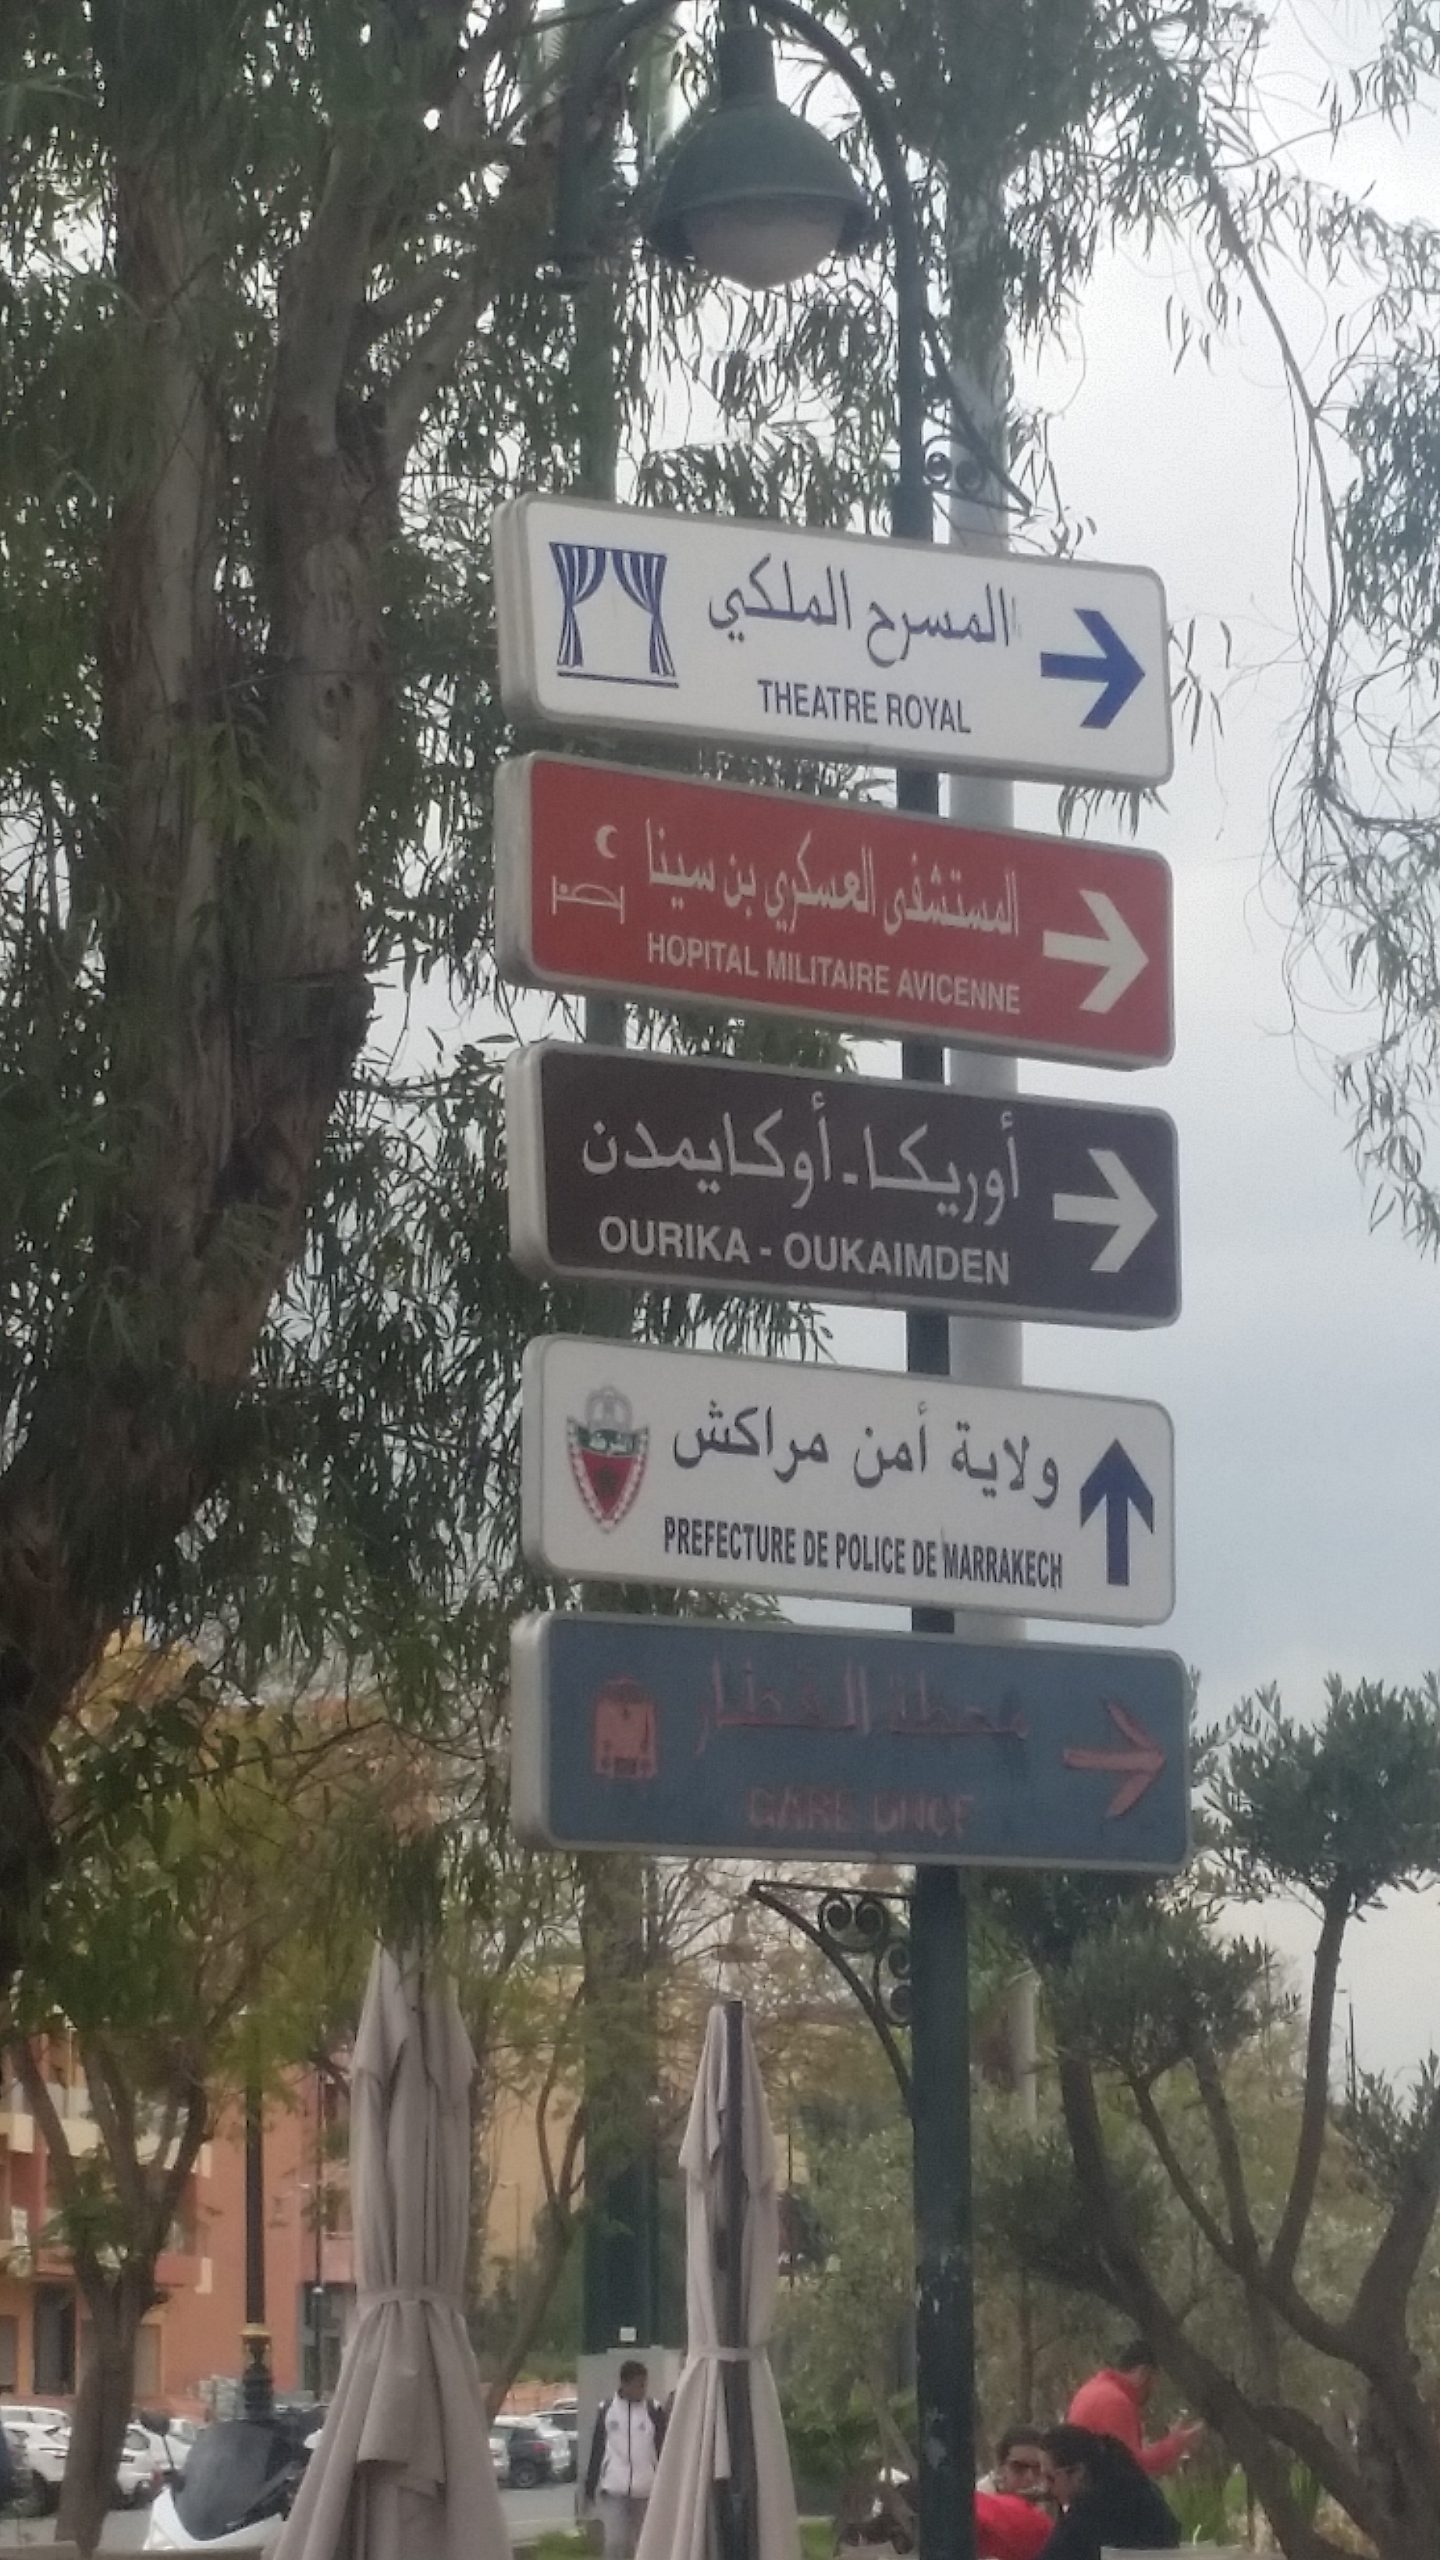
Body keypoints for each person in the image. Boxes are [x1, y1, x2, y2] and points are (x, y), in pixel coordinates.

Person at [1036, 2424, 1180, 2557]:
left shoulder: (1081, 2524)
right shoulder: (1146, 2497)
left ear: (1078, 2472)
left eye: (1050, 2478)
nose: (1046, 2487)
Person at [1066, 2339, 1202, 2478]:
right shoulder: (1116, 2402)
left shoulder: (1092, 2390)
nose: (1154, 2390)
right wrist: (1175, 2444)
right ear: (1143, 2373)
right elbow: (1134, 2469)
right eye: (1154, 2381)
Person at [584, 2359, 668, 2560]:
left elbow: (663, 2449)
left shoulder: (653, 2410)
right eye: (638, 2385)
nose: (642, 2390)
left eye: (644, 2384)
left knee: (644, 2544)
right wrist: (590, 2487)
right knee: (616, 2543)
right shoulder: (607, 2410)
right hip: (615, 2488)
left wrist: (665, 2485)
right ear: (624, 2384)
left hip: (646, 2488)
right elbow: (597, 2449)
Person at [979, 2426, 1052, 2504]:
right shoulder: (980, 2500)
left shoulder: (1052, 2498)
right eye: (1019, 2467)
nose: (1030, 2477)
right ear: (1000, 2469)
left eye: (1037, 2468)